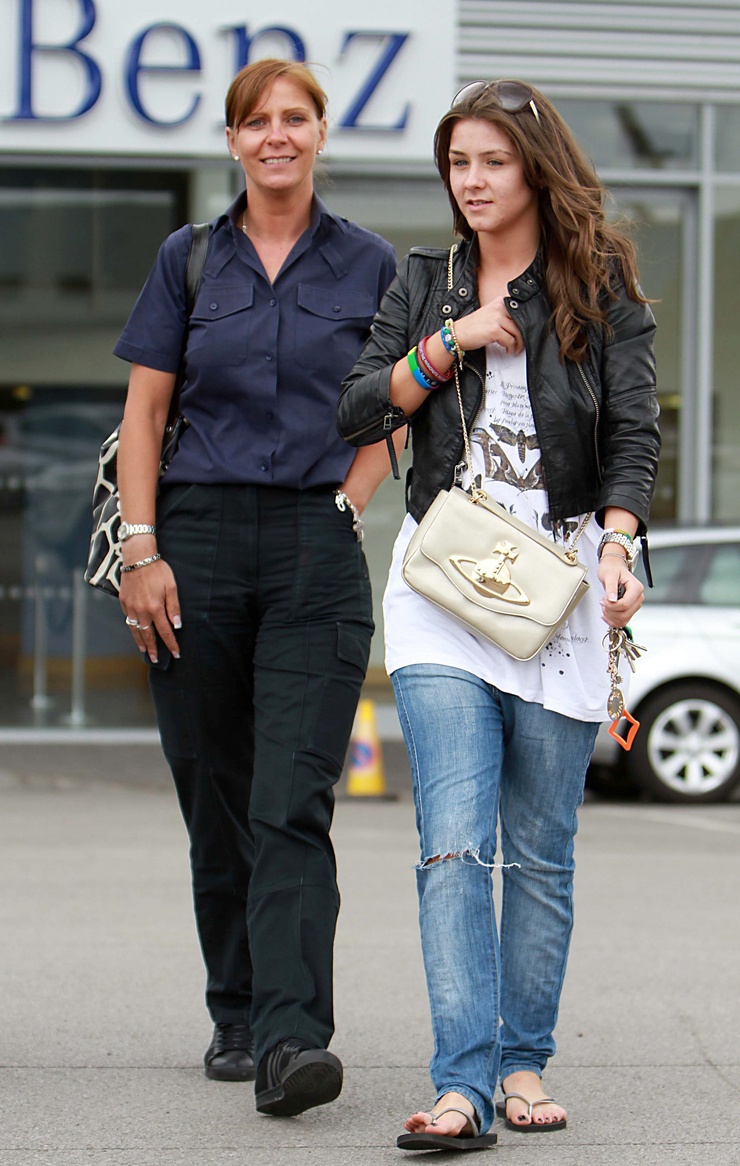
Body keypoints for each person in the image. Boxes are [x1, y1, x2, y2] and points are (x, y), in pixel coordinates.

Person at [338, 79, 659, 1150]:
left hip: (560, 589)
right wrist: (452, 341)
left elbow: (632, 435)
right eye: (457, 163)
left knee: (540, 850)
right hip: (444, 590)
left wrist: (618, 543)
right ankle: (462, 1085)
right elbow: (356, 407)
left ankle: (524, 1058)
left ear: (534, 167)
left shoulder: (600, 287)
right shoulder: (426, 281)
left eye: (492, 161)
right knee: (451, 842)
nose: (471, 182)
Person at [113, 57, 398, 1117]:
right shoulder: (188, 258)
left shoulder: (370, 262)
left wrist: (349, 502)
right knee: (215, 791)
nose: (276, 134)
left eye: (294, 117)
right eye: (256, 121)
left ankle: (290, 1040)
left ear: (321, 132)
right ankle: (233, 1007)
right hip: (194, 541)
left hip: (314, 543)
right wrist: (142, 550)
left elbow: (398, 404)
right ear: (232, 140)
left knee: (291, 799)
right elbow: (145, 414)